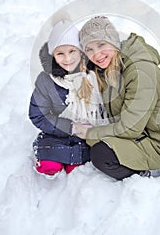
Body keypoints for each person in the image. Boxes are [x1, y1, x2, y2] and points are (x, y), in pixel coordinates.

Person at [74, 16, 160, 180]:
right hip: (140, 133)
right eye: (89, 49)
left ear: (113, 41)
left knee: (101, 154)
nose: (96, 54)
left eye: (101, 44)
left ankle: (143, 174)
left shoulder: (141, 71)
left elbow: (130, 127)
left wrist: (91, 133)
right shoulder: (108, 68)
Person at [29, 19, 108, 177]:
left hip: (90, 136)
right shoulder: (46, 81)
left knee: (78, 167)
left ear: (81, 51)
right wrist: (71, 127)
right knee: (48, 166)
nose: (67, 59)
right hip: (59, 133)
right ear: (53, 55)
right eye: (60, 53)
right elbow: (38, 115)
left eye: (72, 51)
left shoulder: (93, 74)